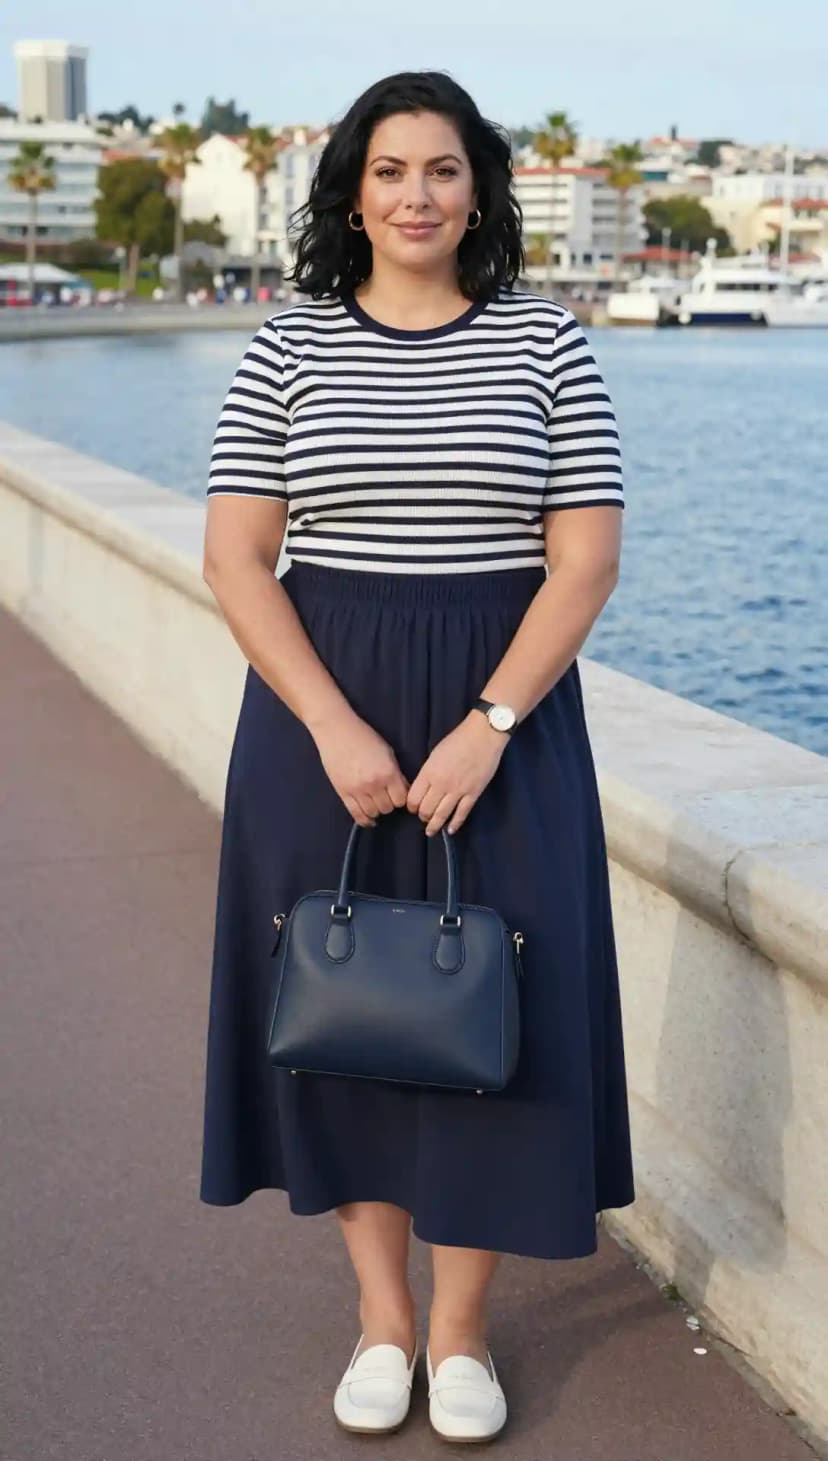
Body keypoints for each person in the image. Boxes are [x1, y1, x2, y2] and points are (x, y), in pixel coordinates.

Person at [199, 69, 635, 1444]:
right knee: (345, 1018)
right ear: (352, 190)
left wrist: (491, 724)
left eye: (442, 170)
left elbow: (584, 559)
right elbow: (236, 555)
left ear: (480, 188)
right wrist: (330, 721)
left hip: (502, 721)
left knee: (496, 1017)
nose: (416, 196)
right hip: (316, 715)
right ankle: (382, 1319)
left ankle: (461, 1335)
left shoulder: (548, 345)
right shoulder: (288, 344)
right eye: (390, 171)